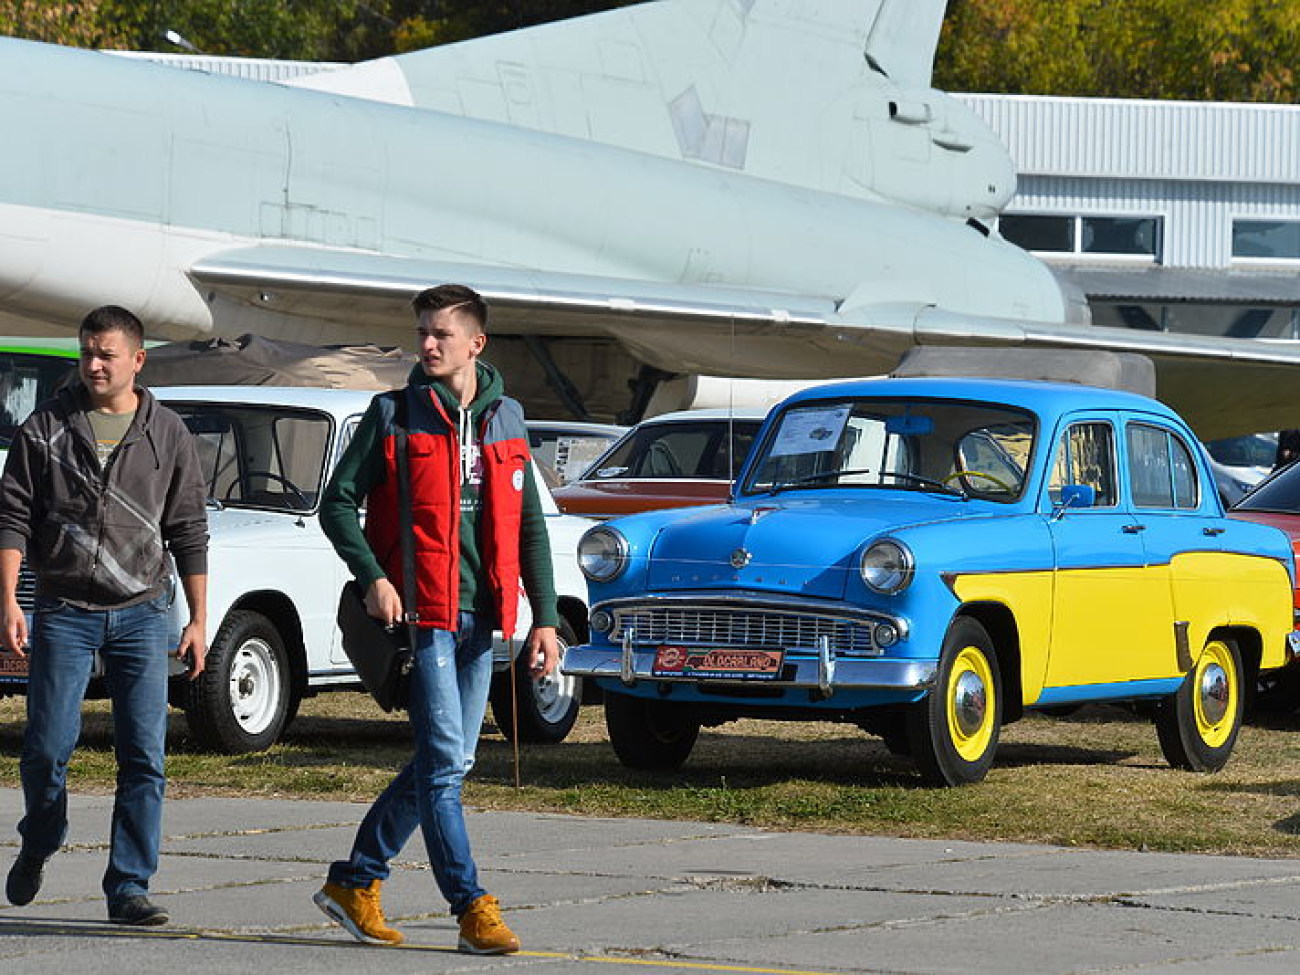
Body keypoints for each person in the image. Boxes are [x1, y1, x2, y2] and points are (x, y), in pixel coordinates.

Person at [313, 283, 559, 953]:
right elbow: (337, 503)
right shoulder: (393, 414)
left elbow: (531, 524)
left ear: (476, 344)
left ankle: (355, 880)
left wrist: (545, 617)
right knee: (447, 760)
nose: (426, 343)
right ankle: (471, 906)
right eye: (422, 330)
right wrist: (375, 577)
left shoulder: (508, 417)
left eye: (440, 334)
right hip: (424, 616)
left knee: (445, 759)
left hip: (485, 615)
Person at [0, 305, 209, 925]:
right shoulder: (45, 428)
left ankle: (129, 886)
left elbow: (189, 529)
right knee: (44, 748)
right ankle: (41, 835)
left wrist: (199, 618)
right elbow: (11, 516)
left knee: (144, 754)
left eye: (106, 354)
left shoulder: (167, 432)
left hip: (143, 613)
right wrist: (8, 599)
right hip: (64, 611)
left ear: (136, 361)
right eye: (87, 352)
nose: (93, 363)